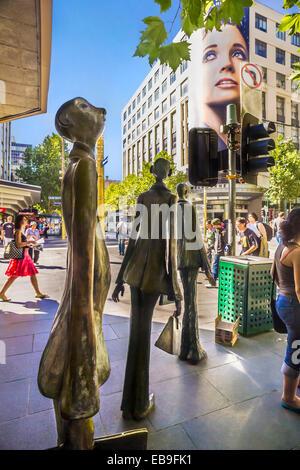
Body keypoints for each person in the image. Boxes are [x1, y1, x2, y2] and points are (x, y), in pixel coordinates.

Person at [112, 158, 182, 420]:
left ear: (152, 172)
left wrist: (120, 277)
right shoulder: (171, 198)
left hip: (135, 268)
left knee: (136, 333)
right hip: (153, 270)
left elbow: (133, 237)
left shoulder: (143, 196)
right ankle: (139, 403)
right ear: (168, 173)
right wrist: (176, 289)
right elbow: (171, 244)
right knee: (142, 332)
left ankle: (131, 401)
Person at [190, 20, 249, 151]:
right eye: (210, 55)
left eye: (237, 54)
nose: (227, 63)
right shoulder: (202, 146)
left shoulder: (248, 145)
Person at [176, 183, 215, 363]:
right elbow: (197, 237)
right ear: (186, 192)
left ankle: (185, 349)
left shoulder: (172, 209)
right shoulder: (188, 208)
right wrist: (207, 267)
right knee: (191, 303)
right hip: (190, 259)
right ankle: (193, 349)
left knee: (188, 302)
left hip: (180, 259)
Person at [271, 208, 300, 413]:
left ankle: (295, 384)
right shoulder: (297, 252)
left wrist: (283, 290)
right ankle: (288, 397)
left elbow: (273, 274)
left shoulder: (282, 246)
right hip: (294, 305)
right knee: (296, 349)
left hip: (282, 300)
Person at [0, 214, 47, 301]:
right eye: (25, 219)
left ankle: (38, 292)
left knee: (32, 273)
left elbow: (22, 243)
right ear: (21, 221)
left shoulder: (21, 230)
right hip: (21, 257)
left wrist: (30, 244)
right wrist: (29, 242)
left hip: (25, 256)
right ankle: (2, 293)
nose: (26, 221)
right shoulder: (18, 231)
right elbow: (18, 244)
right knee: (14, 276)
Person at [207, 218, 227, 285]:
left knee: (215, 266)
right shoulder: (216, 231)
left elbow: (225, 242)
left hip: (219, 251)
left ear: (217, 225)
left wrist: (223, 250)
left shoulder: (223, 231)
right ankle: (216, 281)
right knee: (217, 266)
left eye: (214, 225)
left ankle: (213, 281)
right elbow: (215, 241)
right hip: (217, 251)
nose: (213, 227)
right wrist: (210, 247)